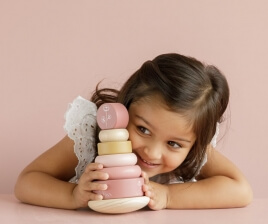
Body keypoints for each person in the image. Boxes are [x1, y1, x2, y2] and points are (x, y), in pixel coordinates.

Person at [14, 53, 253, 210]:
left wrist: (169, 196)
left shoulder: (193, 148)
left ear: (193, 144)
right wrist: (73, 195)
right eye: (143, 129)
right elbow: (26, 183)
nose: (152, 152)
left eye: (174, 144)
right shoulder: (92, 134)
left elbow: (240, 190)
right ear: (124, 108)